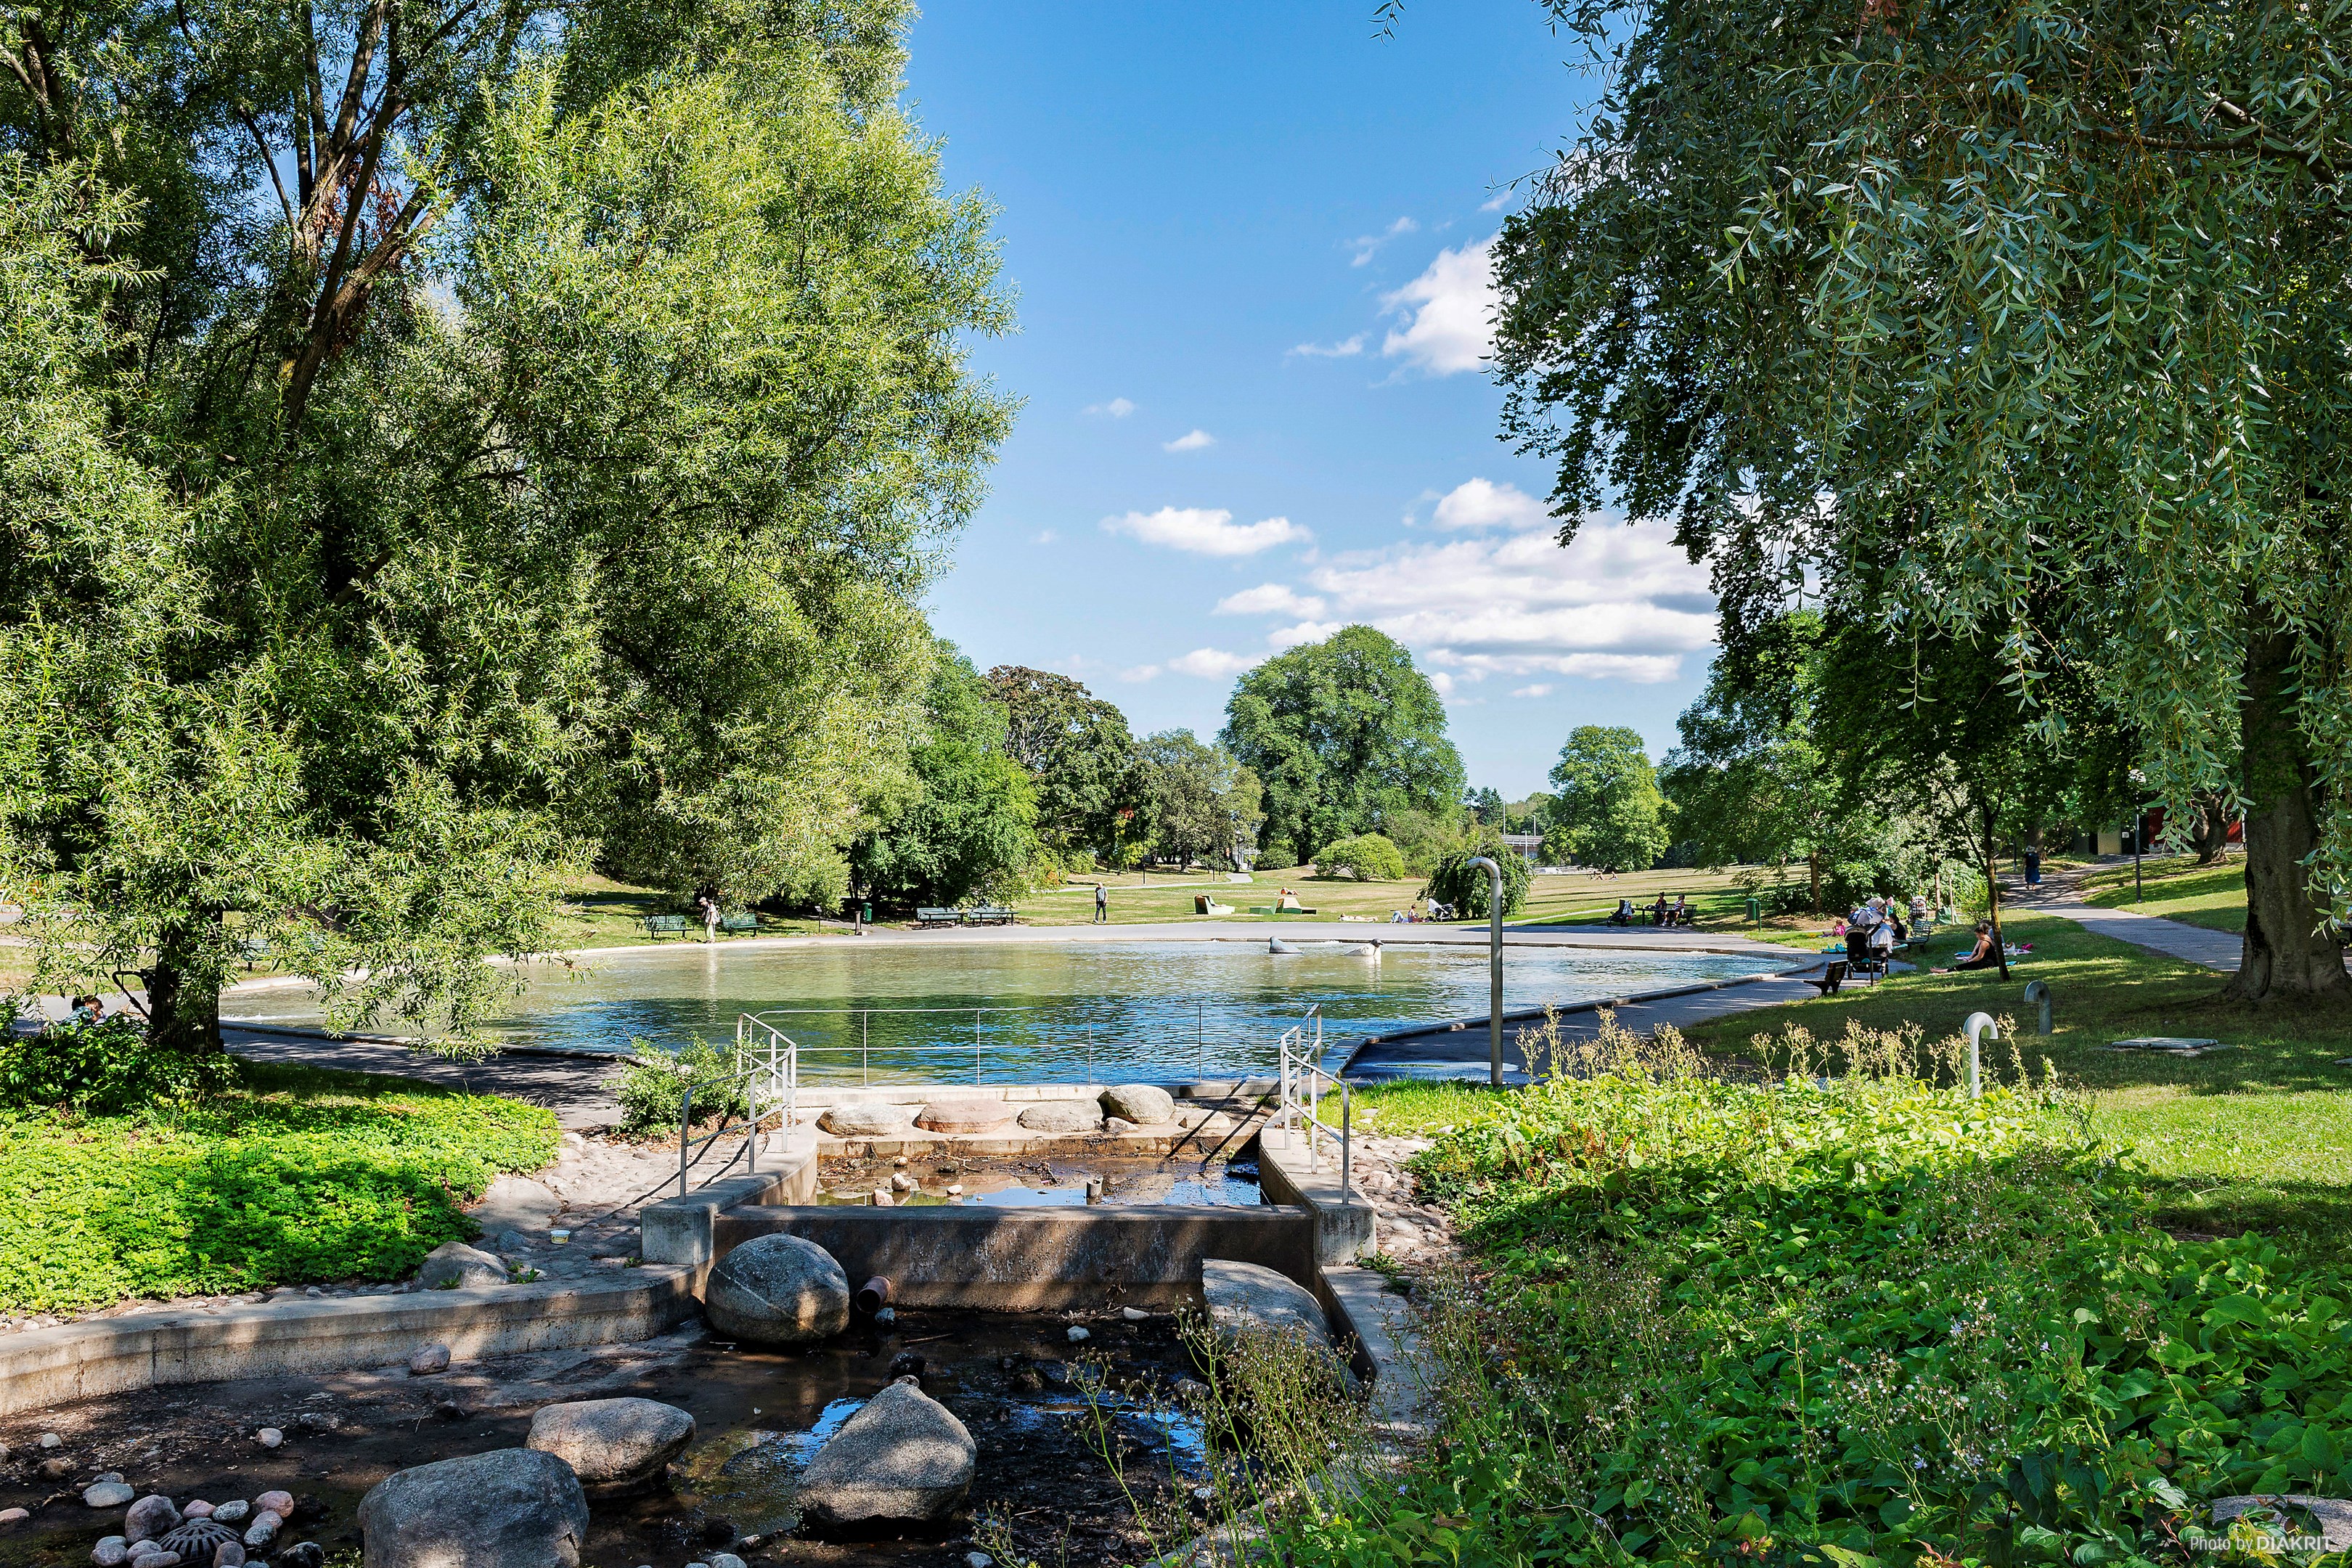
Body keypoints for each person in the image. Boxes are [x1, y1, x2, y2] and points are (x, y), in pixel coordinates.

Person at [1935, 920, 2002, 973]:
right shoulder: (1984, 938)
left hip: (1987, 963)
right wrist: (1970, 957)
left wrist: (1970, 961)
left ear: (1981, 933)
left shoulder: (1985, 943)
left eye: (1977, 935)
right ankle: (1945, 970)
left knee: (1965, 966)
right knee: (1966, 965)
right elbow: (1976, 949)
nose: (1976, 937)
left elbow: (1979, 957)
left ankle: (1944, 971)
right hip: (1988, 961)